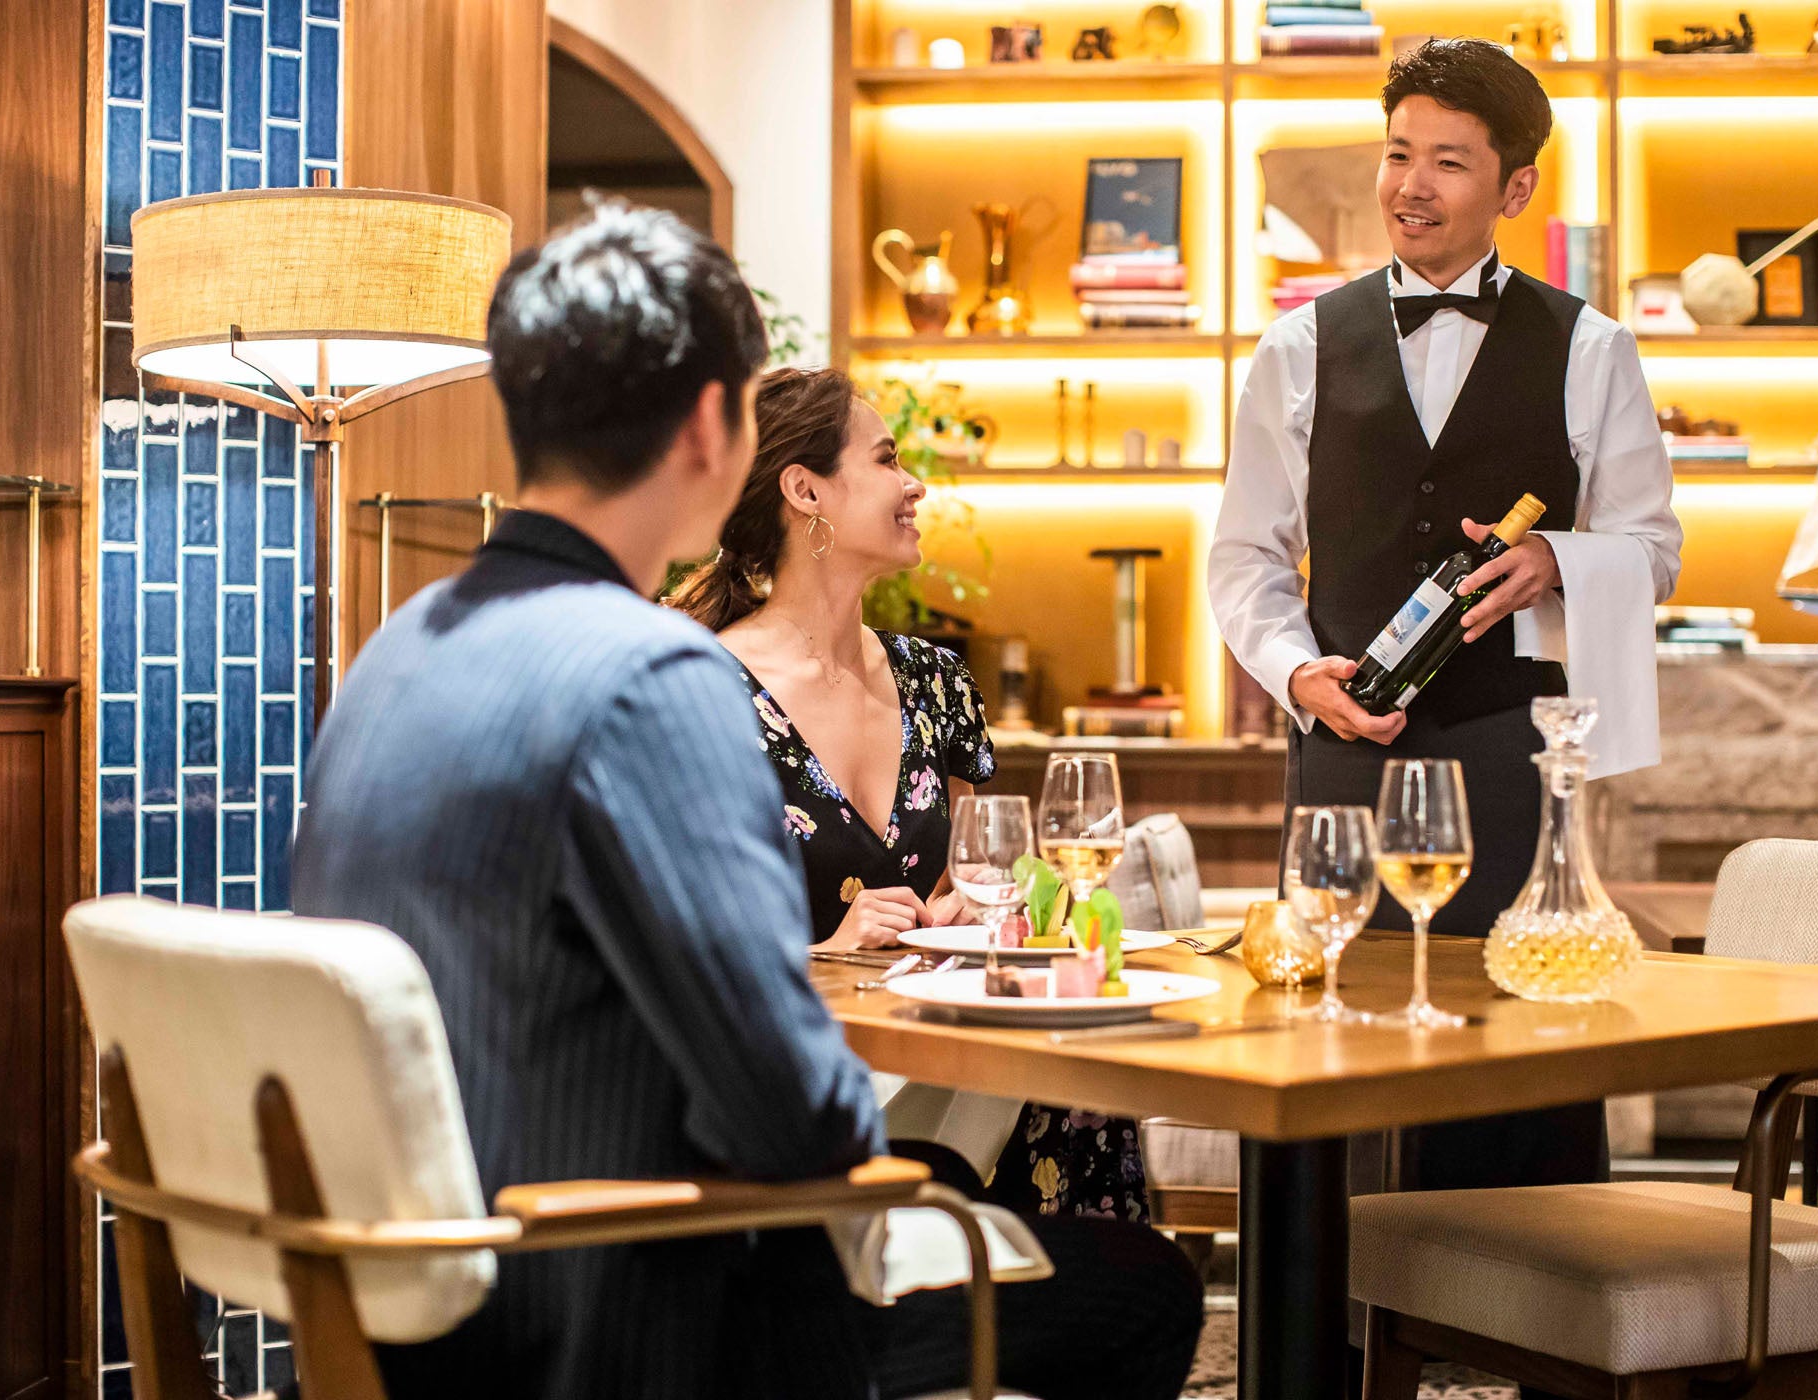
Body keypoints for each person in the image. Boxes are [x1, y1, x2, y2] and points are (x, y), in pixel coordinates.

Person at [292, 202, 1200, 1400]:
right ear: (713, 428)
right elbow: (795, 1113)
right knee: (1145, 1285)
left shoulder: (398, 651)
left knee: (951, 1189)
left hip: (420, 1307)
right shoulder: (649, 677)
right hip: (622, 1320)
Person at [1208, 40, 1682, 1196]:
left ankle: (1524, 1286)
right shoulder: (1295, 346)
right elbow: (1244, 555)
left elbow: (1653, 548)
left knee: (1514, 1051)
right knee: (1322, 1052)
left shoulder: (1592, 348)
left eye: (1449, 163)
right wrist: (1297, 673)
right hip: (1342, 752)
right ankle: (1324, 1294)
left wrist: (1555, 558)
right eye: (1397, 154)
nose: (1410, 186)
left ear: (1516, 189)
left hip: (1506, 755)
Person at [673, 365, 1157, 1223]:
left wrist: (977, 912)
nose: (915, 485)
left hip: (938, 1062)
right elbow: (673, 953)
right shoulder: (695, 689)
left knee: (1083, 1072)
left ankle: (1042, 1280)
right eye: (889, 459)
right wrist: (823, 948)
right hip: (784, 1097)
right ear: (805, 491)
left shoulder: (936, 680)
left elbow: (969, 879)